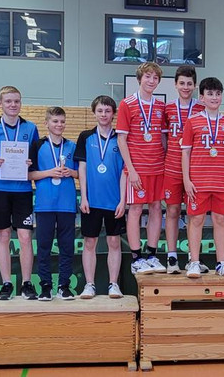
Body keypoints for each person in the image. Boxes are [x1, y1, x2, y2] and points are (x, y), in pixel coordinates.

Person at [0, 86, 39, 300]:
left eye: (16, 101)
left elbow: (35, 160)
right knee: (3, 235)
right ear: (0, 103)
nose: (13, 105)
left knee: (25, 236)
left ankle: (26, 283)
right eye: (8, 101)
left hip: (23, 190)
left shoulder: (30, 128)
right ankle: (6, 283)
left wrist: (30, 162)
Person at [182, 77, 224, 278]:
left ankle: (221, 263)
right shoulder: (192, 121)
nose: (214, 97)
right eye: (210, 94)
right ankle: (194, 262)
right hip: (198, 181)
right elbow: (186, 152)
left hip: (222, 182)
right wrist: (187, 180)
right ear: (202, 97)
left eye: (218, 94)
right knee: (196, 219)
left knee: (220, 220)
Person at [117, 62, 167, 275]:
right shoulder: (127, 104)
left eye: (155, 77)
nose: (151, 81)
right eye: (148, 76)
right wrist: (131, 169)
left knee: (156, 208)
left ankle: (152, 255)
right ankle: (136, 258)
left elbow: (163, 139)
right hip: (137, 168)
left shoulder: (161, 106)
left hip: (158, 168)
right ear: (139, 79)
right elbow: (121, 139)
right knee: (136, 210)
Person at [75, 96, 126, 299]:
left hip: (114, 201)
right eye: (100, 111)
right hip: (92, 201)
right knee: (90, 242)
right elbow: (82, 168)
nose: (104, 114)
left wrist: (123, 200)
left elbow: (124, 171)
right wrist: (83, 197)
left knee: (114, 241)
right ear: (94, 113)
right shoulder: (85, 137)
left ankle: (113, 284)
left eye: (107, 111)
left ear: (113, 114)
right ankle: (90, 284)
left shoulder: (121, 137)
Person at [28, 107, 78, 300]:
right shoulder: (37, 145)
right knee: (44, 247)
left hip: (67, 204)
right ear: (46, 123)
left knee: (67, 247)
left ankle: (64, 286)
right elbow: (29, 175)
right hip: (45, 205)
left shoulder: (72, 146)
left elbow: (81, 173)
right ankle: (46, 286)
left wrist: (71, 172)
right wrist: (49, 172)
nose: (59, 125)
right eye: (55, 121)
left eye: (62, 121)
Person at [162, 65, 204, 273]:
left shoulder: (202, 108)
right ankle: (171, 257)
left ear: (195, 86)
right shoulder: (168, 109)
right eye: (182, 83)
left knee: (194, 214)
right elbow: (163, 138)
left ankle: (192, 258)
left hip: (195, 171)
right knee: (172, 211)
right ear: (175, 85)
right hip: (172, 169)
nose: (185, 87)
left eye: (189, 83)